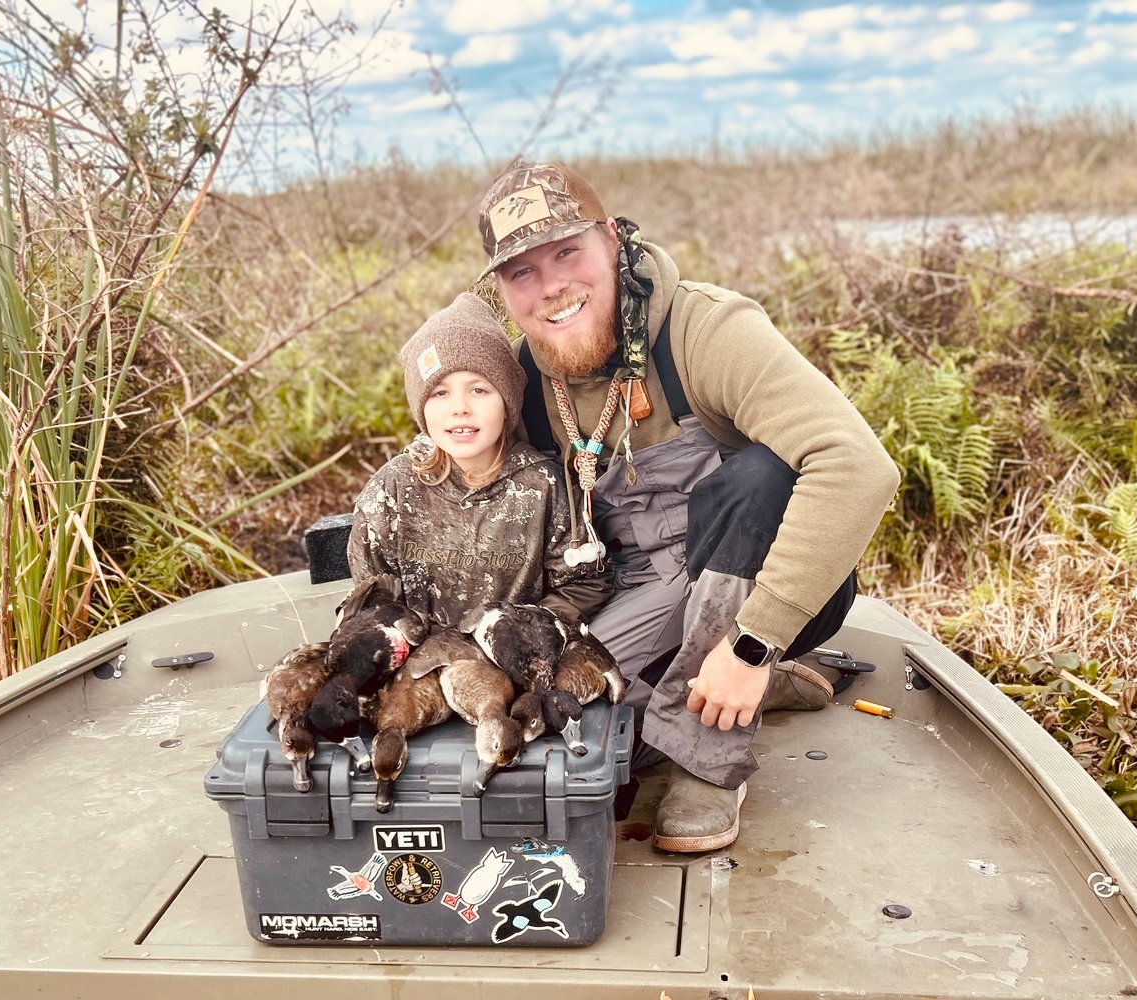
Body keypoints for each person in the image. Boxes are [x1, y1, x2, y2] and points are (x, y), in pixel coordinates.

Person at [476, 159, 901, 852]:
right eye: (522, 271)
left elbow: (858, 466)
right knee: (560, 726)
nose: (551, 286)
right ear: (501, 289)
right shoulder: (515, 380)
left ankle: (713, 751)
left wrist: (751, 644)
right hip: (629, 593)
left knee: (760, 475)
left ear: (612, 242)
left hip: (750, 584)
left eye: (566, 253)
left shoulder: (704, 329)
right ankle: (751, 689)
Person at [346, 291, 610, 630]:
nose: (460, 408)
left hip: (509, 667)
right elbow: (370, 596)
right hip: (415, 671)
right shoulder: (392, 489)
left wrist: (518, 632)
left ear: (508, 401)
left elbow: (584, 583)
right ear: (421, 408)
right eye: (440, 392)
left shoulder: (542, 486)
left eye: (479, 390)